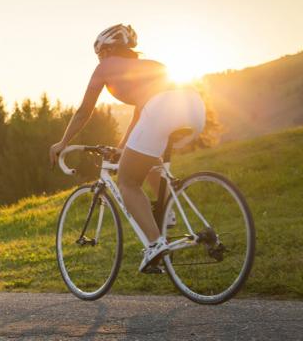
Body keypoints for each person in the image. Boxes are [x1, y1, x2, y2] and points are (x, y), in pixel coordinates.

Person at [48, 24, 206, 272]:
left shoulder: (105, 67)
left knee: (127, 182)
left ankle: (155, 244)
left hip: (162, 108)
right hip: (194, 106)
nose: (99, 58)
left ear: (108, 50)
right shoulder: (151, 66)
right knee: (147, 159)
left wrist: (63, 142)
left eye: (100, 53)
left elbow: (83, 112)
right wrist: (122, 148)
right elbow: (140, 116)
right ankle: (168, 214)